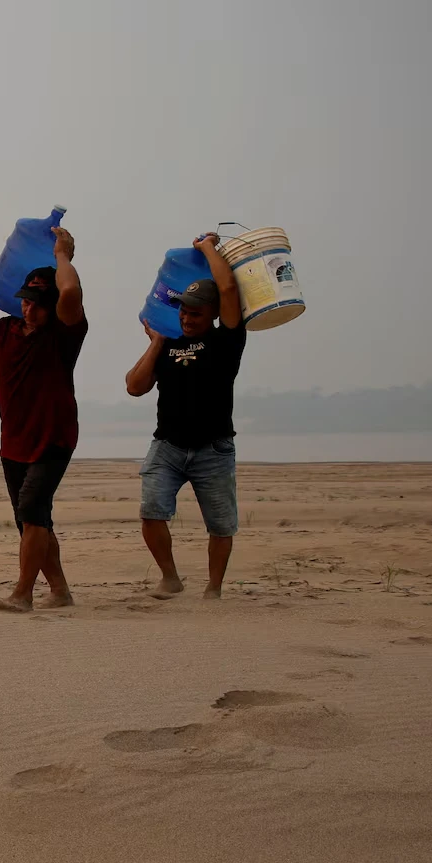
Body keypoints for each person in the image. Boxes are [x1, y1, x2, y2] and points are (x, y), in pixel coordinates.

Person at [0, 228, 87, 612]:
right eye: (26, 301)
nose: (29, 309)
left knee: (31, 511)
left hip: (54, 436)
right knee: (32, 521)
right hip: (14, 440)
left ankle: (23, 594)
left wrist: (64, 256)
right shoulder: (5, 329)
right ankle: (59, 591)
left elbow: (71, 293)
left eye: (39, 303)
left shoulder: (65, 331)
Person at [124, 233, 246, 599]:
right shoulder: (168, 343)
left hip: (214, 449)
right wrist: (157, 343)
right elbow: (134, 386)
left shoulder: (226, 342)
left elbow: (226, 288)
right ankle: (170, 577)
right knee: (151, 513)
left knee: (221, 526)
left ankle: (214, 589)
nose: (187, 318)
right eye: (183, 311)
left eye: (195, 312)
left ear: (212, 315)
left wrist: (207, 247)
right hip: (168, 446)